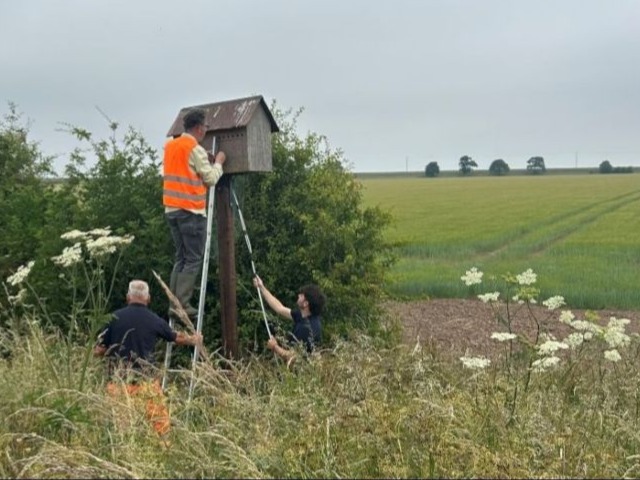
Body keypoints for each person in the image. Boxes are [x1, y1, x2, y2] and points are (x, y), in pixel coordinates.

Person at [94, 279, 202, 437]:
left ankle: (122, 456)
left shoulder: (114, 318)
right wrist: (194, 339)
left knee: (121, 430)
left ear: (128, 297)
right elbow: (176, 337)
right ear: (148, 299)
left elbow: (99, 350)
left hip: (118, 383)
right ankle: (164, 452)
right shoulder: (153, 319)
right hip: (146, 383)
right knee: (160, 427)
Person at [163, 108, 227, 319]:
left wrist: (203, 159)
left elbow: (185, 169)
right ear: (199, 128)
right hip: (190, 210)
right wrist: (218, 162)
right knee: (193, 258)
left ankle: (173, 301)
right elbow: (209, 179)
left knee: (180, 257)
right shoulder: (194, 148)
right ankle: (182, 304)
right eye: (206, 127)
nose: (206, 131)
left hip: (172, 209)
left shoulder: (171, 145)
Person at [253, 276, 325, 363]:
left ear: (306, 303)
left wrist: (275, 347)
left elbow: (293, 357)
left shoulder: (307, 328)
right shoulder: (302, 315)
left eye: (302, 295)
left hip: (303, 373)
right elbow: (279, 308)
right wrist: (261, 287)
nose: (298, 295)